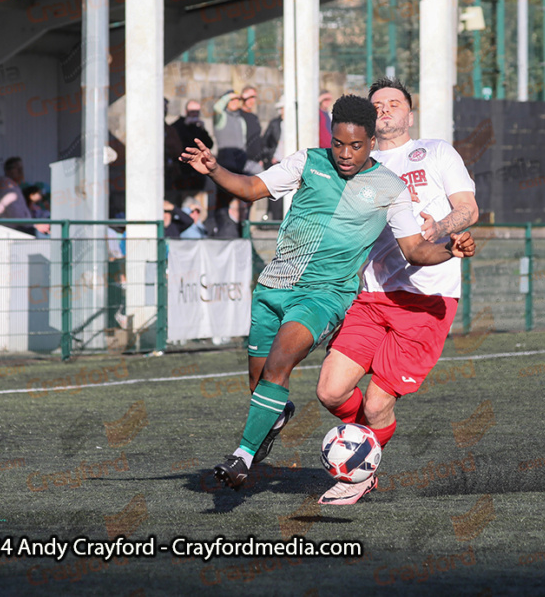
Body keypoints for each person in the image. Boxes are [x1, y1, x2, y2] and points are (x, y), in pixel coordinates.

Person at [180, 95, 476, 493]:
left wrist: (448, 250)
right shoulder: (308, 162)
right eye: (338, 144)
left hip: (325, 295)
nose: (345, 154)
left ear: (371, 142)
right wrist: (214, 169)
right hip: (274, 287)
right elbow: (251, 188)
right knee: (261, 381)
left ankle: (242, 458)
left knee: (281, 362)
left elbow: (413, 250)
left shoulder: (391, 187)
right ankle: (276, 414)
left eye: (356, 145)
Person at [314, 77, 479, 505]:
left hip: (427, 300)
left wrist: (440, 230)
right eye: (378, 105)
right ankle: (360, 446)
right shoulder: (352, 164)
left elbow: (468, 208)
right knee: (330, 391)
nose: (385, 109)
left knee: (375, 404)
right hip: (369, 297)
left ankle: (359, 469)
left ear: (410, 112)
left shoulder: (437, 151)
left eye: (394, 103)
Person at [211, 90, 249, 236]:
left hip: (239, 167)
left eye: (236, 100)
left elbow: (243, 142)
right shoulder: (221, 117)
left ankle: (241, 230)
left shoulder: (240, 120)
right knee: (223, 201)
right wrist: (228, 96)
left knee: (241, 201)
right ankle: (222, 231)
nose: (235, 102)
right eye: (232, 100)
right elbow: (216, 109)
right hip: (224, 167)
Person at [171, 100, 214, 196]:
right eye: (192, 111)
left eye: (197, 112)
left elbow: (209, 144)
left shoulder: (198, 126)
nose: (195, 114)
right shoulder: (179, 124)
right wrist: (186, 125)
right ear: (186, 112)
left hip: (197, 170)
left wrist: (203, 129)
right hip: (182, 168)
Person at [0, 157, 36, 235]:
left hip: (16, 227)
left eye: (21, 168)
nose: (20, 171)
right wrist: (34, 225)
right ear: (8, 170)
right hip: (12, 229)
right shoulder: (7, 186)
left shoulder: (12, 185)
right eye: (17, 168)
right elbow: (16, 215)